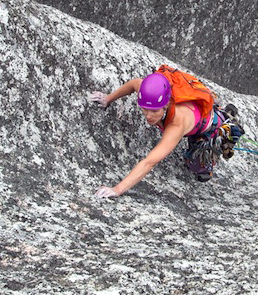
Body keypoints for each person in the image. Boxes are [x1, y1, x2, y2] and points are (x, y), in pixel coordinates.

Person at [88, 65, 238, 198]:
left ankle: (223, 116)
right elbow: (134, 84)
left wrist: (117, 189)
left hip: (208, 127)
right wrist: (108, 98)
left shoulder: (177, 123)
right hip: (193, 115)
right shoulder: (149, 92)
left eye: (154, 111)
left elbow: (150, 162)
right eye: (144, 109)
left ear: (165, 105)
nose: (148, 116)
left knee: (197, 168)